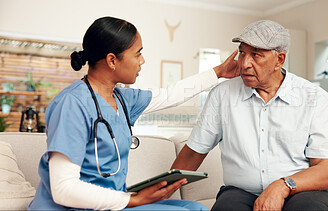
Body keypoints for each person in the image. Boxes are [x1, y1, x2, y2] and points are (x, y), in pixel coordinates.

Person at [28, 16, 239, 210]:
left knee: (193, 207)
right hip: (74, 207)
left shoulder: (122, 98)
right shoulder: (71, 104)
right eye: (137, 53)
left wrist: (219, 72)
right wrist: (132, 199)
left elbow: (169, 95)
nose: (142, 61)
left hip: (112, 202)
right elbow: (63, 189)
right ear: (112, 60)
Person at [171, 20, 328, 211]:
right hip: (241, 192)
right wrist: (152, 196)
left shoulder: (315, 97)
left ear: (280, 60)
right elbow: (193, 152)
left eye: (255, 55)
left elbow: (326, 171)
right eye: (242, 53)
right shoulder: (222, 95)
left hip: (301, 190)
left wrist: (283, 186)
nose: (244, 64)